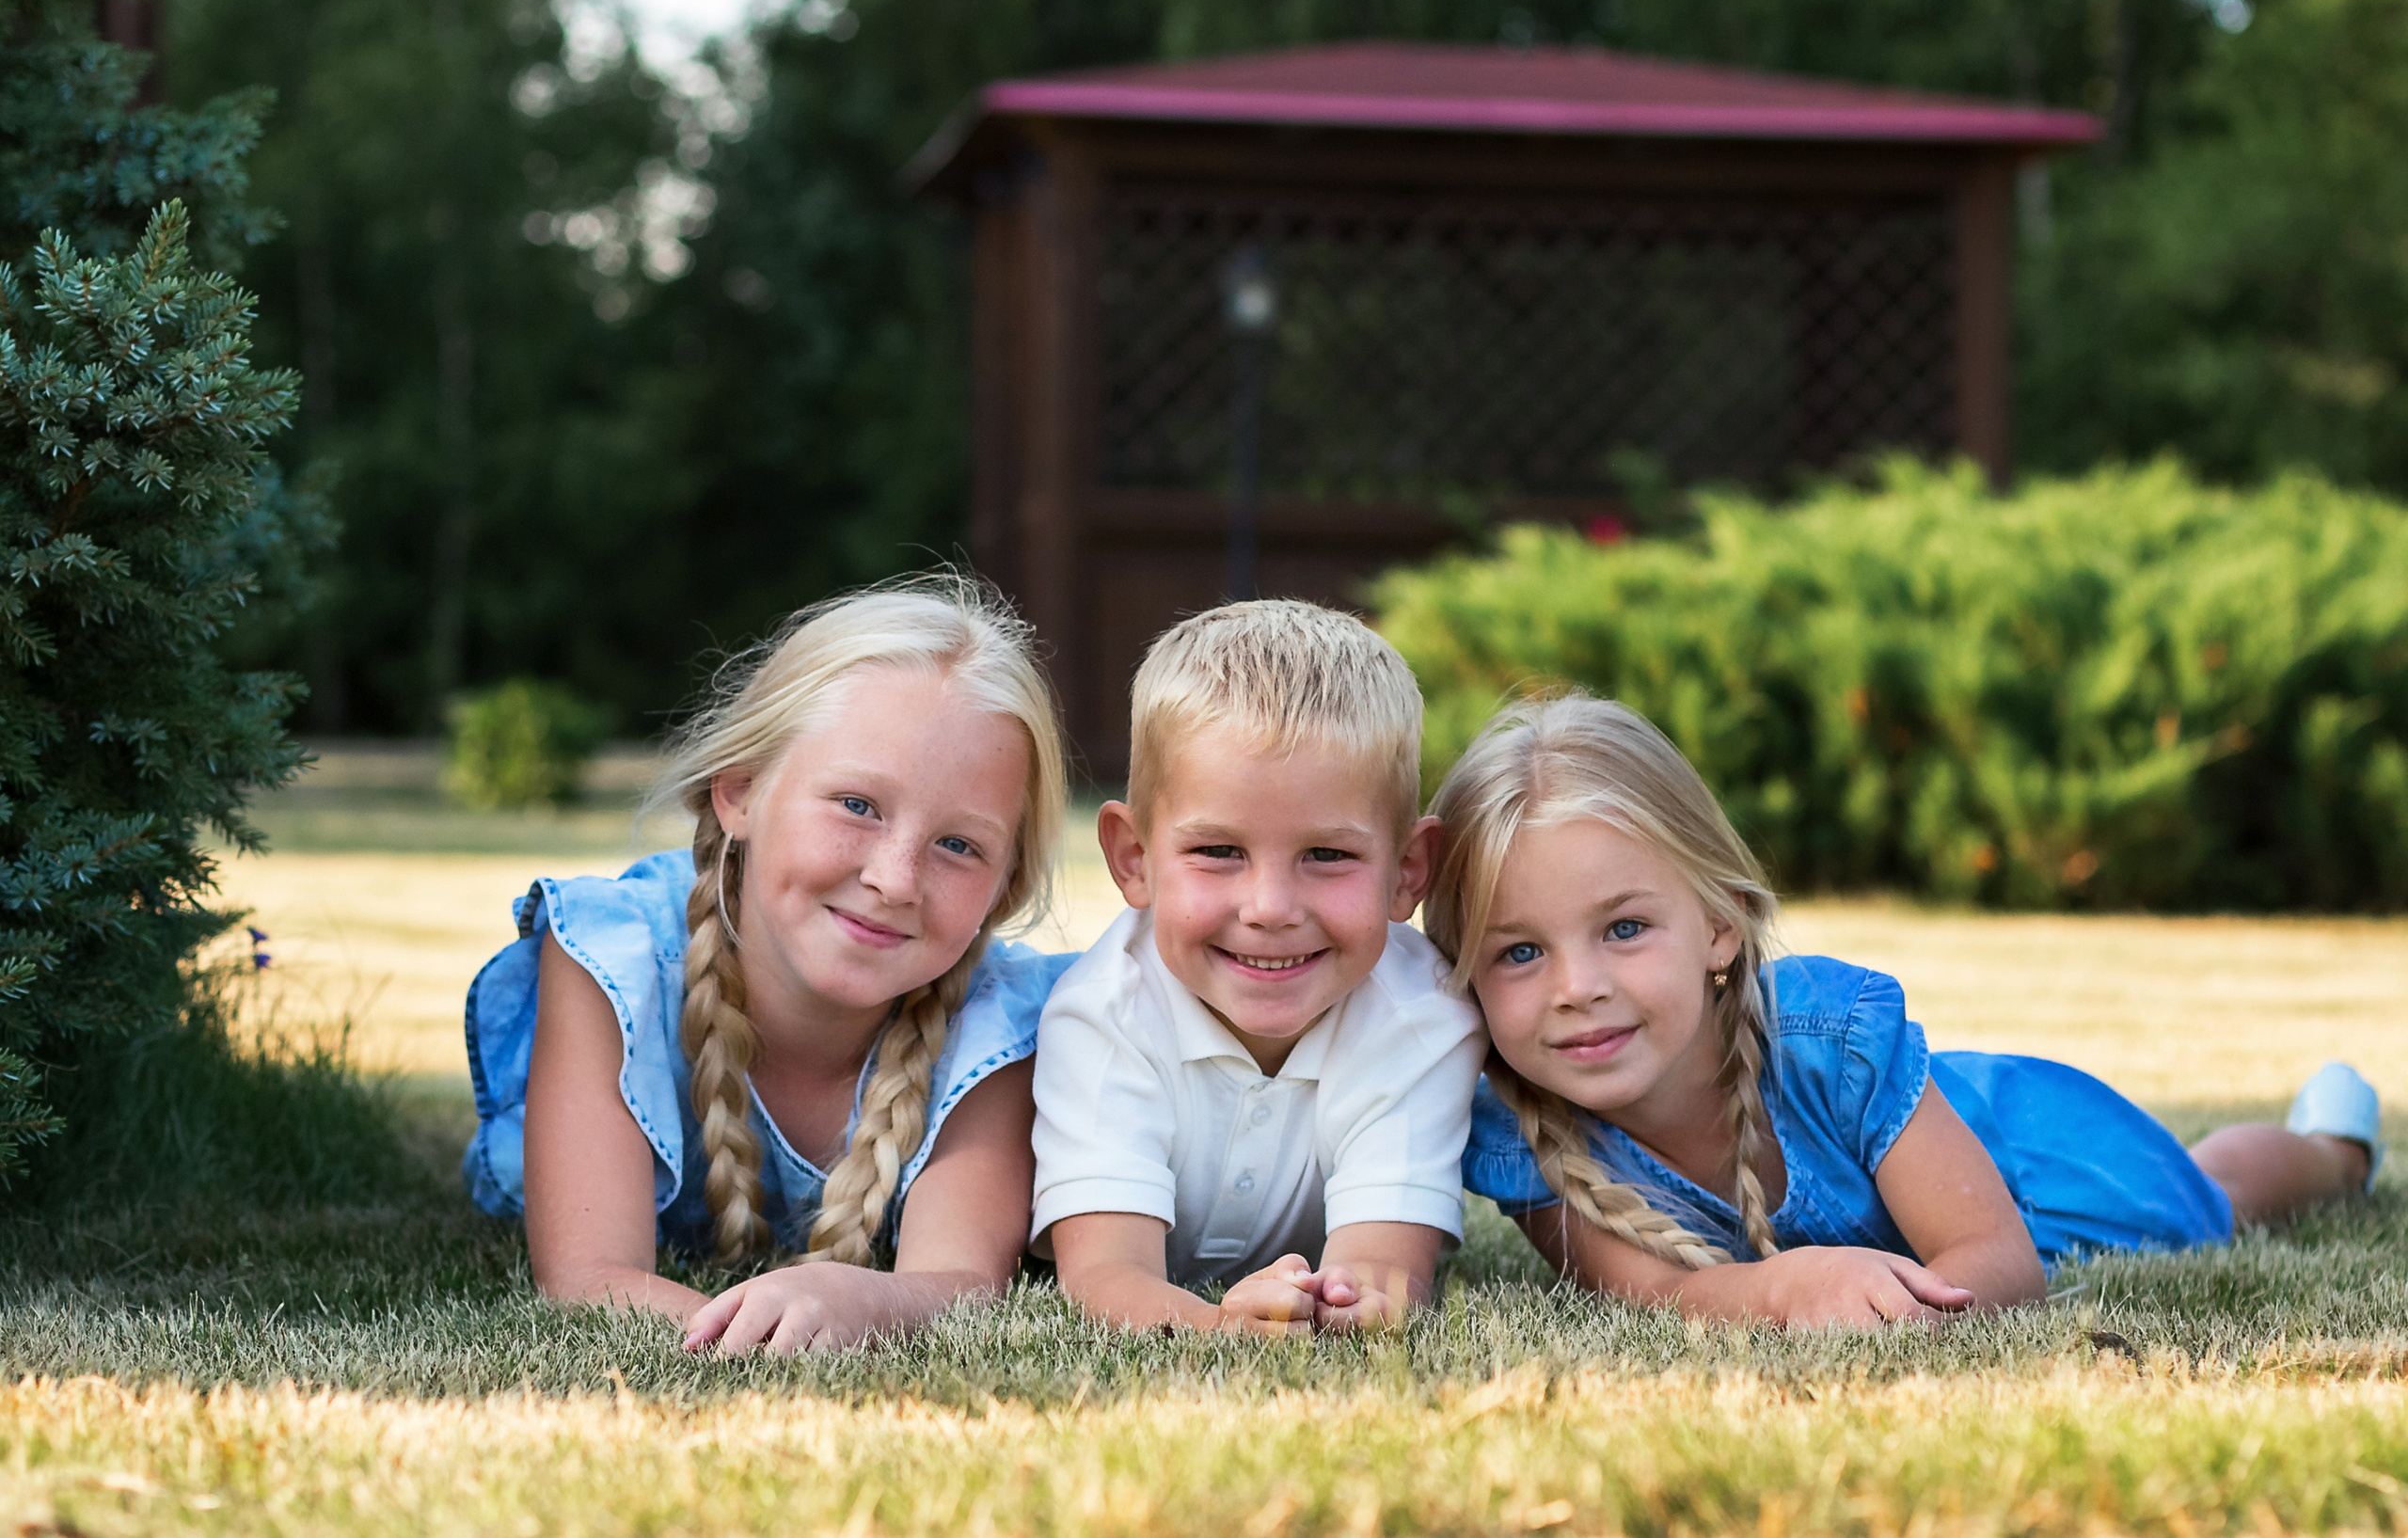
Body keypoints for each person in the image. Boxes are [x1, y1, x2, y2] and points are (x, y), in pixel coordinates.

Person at [1423, 692, 2384, 1328]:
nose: (1575, 985)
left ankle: (2333, 1149)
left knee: (2215, 1196)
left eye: (1624, 929)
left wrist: (1879, 1303)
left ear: (1720, 925)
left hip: (2030, 1161)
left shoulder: (1826, 1041)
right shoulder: (1522, 1128)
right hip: (1929, 1210)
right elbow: (1662, 1296)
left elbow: (2000, 1264)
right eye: (1518, 951)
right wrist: (1788, 1290)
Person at [461, 576, 1076, 1354]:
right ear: (741, 790)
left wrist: (854, 1298)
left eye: (958, 845)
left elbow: (959, 1283)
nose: (895, 878)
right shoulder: (613, 962)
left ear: (1003, 887)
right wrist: (759, 1334)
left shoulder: (997, 1027)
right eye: (857, 804)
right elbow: (589, 1276)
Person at [1031, 601, 1487, 1335]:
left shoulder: (1425, 1018)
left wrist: (1346, 1305)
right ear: (1133, 858)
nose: (1271, 907)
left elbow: (1381, 1270)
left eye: (1328, 855)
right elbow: (1105, 1276)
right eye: (1219, 851)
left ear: (1407, 871)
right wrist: (1225, 1329)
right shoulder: (1103, 1014)